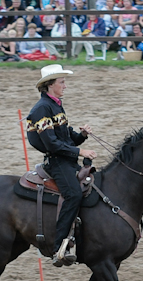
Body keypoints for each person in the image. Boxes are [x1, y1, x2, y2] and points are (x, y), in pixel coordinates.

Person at [26, 64, 96, 267]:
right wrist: (81, 152)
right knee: (73, 194)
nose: (65, 86)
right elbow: (52, 144)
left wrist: (81, 136)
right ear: (49, 85)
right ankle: (59, 247)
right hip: (57, 162)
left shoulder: (56, 106)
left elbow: (68, 139)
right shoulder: (41, 109)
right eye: (62, 82)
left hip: (66, 159)